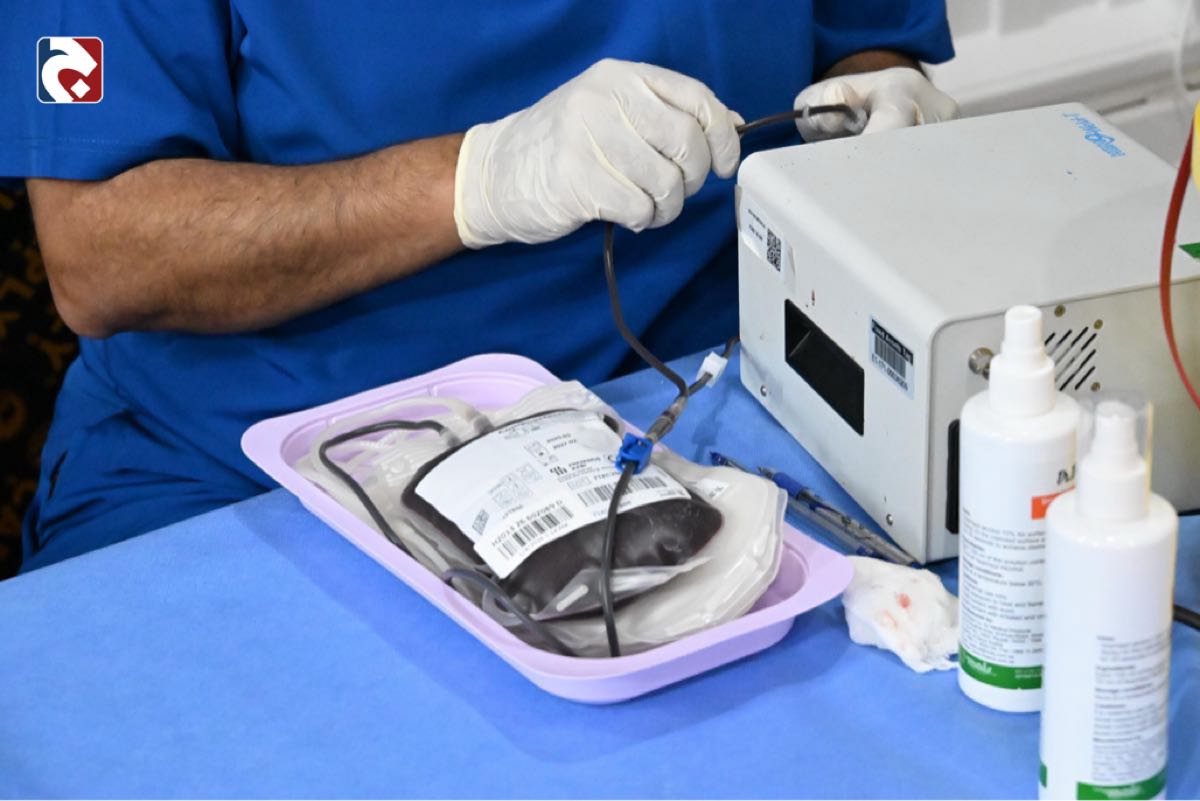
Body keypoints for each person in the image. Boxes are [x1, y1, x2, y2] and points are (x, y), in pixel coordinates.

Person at [0, 3, 957, 571]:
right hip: (259, 453)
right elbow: (102, 253)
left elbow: (864, 39)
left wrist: (881, 104)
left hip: (714, 401)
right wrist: (480, 181)